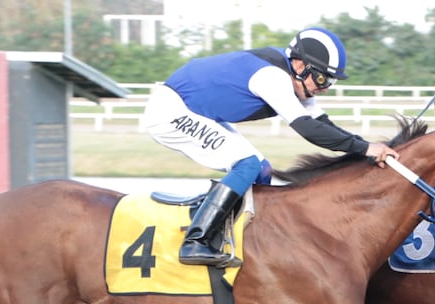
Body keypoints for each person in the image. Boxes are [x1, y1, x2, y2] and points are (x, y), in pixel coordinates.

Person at [142, 27, 399, 266]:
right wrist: (365, 150)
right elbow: (308, 130)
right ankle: (195, 242)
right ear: (300, 65)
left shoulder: (296, 79)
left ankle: (253, 239)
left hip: (197, 110)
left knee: (262, 169)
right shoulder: (272, 77)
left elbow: (323, 124)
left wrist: (367, 146)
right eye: (322, 79)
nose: (325, 88)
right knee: (247, 165)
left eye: (330, 82)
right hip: (170, 111)